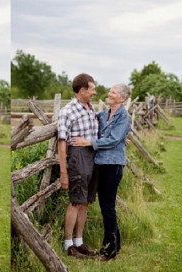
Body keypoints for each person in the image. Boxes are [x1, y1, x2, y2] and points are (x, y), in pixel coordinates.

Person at [71, 83, 132, 261]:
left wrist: (89, 143)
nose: (109, 94)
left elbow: (113, 140)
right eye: (110, 91)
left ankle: (109, 251)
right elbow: (90, 122)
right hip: (101, 164)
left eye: (113, 92)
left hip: (113, 166)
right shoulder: (103, 114)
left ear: (122, 98)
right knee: (106, 206)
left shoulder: (124, 117)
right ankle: (115, 246)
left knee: (107, 206)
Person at [57, 73, 99, 259]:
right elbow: (62, 142)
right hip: (77, 157)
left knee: (85, 201)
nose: (95, 92)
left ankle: (79, 241)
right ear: (82, 90)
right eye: (92, 89)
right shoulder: (68, 111)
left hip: (92, 157)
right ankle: (68, 244)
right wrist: (63, 172)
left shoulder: (90, 108)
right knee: (75, 200)